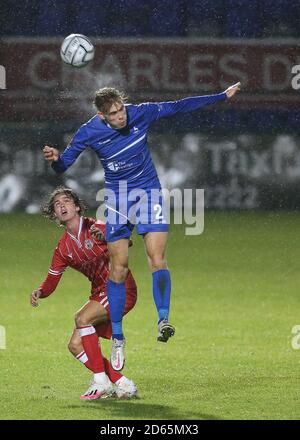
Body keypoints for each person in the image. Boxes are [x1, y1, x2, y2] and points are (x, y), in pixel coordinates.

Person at [43, 82, 241, 371]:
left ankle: (163, 319)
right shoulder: (89, 131)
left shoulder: (140, 113)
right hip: (118, 198)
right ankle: (119, 337)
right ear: (102, 116)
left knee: (157, 259)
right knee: (118, 267)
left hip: (149, 193)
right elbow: (63, 167)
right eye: (113, 113)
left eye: (121, 109)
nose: (120, 116)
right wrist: (56, 159)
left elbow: (178, 105)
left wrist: (221, 95)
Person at [30, 186, 138, 399]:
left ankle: (100, 380)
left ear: (77, 206)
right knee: (75, 345)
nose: (62, 205)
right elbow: (52, 280)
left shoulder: (96, 226)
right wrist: (40, 292)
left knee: (82, 317)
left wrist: (108, 236)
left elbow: (127, 243)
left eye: (66, 201)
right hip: (99, 293)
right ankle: (123, 383)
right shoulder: (63, 248)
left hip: (120, 287)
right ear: (55, 215)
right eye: (57, 204)